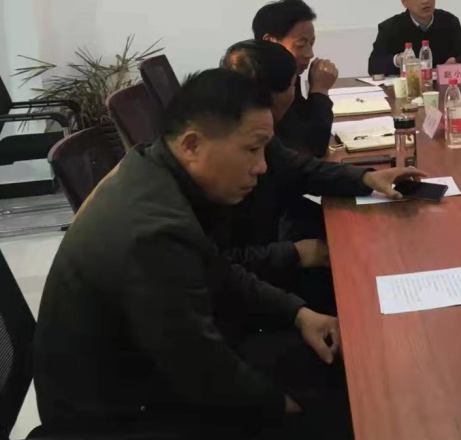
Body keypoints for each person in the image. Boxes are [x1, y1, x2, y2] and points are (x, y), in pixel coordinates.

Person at [33, 70, 354, 439]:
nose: (263, 166)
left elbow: (219, 270)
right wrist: (287, 408)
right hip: (115, 418)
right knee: (336, 410)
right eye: (252, 149)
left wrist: (298, 313)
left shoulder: (153, 167)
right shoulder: (155, 232)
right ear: (191, 145)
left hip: (149, 374)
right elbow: (200, 369)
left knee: (323, 368)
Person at [221, 39, 424, 311]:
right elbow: (219, 263)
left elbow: (300, 169)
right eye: (293, 85)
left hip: (271, 253)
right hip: (255, 289)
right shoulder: (227, 155)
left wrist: (367, 178)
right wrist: (297, 253)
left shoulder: (253, 131)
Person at [253, 0, 337, 158]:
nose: (310, 54)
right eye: (300, 44)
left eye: (311, 43)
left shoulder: (288, 72)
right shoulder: (265, 85)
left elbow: (304, 124)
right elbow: (313, 147)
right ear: (270, 41)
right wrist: (320, 90)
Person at [367, 0, 461, 76]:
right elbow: (373, 66)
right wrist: (398, 60)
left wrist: (456, 62)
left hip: (444, 85)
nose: (425, 0)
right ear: (404, 1)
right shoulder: (390, 27)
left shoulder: (449, 21)